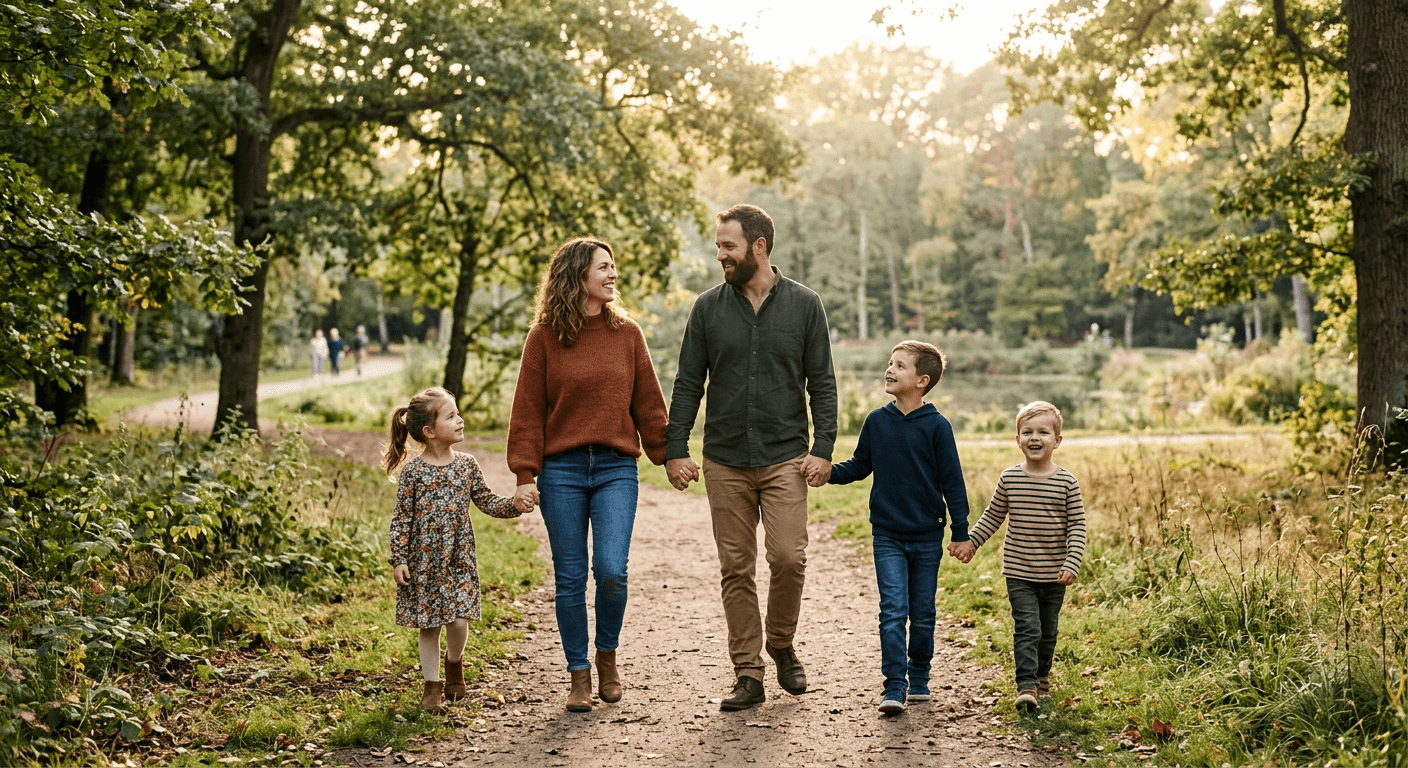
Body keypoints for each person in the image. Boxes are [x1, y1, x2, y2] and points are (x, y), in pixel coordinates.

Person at [665, 204, 838, 712]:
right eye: (719, 245)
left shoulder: (807, 305)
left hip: (786, 456)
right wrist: (676, 448)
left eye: (728, 246)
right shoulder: (707, 309)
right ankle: (748, 672)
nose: (720, 254)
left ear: (758, 247)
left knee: (788, 558)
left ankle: (780, 642)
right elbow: (688, 383)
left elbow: (822, 383)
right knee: (736, 568)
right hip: (724, 460)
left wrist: (823, 448)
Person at [507, 237, 669, 712]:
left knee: (612, 571)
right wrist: (524, 473)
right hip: (562, 471)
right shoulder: (544, 338)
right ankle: (578, 676)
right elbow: (527, 412)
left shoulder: (628, 334)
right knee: (571, 577)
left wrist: (668, 455)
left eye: (613, 266)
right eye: (604, 267)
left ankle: (607, 657)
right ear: (578, 275)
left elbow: (649, 406)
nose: (612, 274)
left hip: (617, 467)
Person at [822, 341, 970, 715]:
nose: (889, 369)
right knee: (892, 610)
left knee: (922, 613)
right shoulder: (876, 421)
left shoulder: (937, 426)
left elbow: (952, 481)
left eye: (899, 366)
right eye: (890, 363)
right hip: (886, 534)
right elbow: (859, 465)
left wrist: (961, 530)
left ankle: (919, 675)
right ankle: (894, 686)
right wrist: (827, 473)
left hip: (926, 536)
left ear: (921, 381)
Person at [385, 386, 530, 714]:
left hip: (459, 558)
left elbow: (487, 501)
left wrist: (515, 505)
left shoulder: (466, 466)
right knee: (430, 625)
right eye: (452, 416)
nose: (461, 420)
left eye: (458, 414)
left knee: (460, 621)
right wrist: (399, 559)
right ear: (430, 431)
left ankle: (454, 663)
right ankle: (432, 686)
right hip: (424, 563)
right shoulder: (414, 471)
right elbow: (401, 519)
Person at [948, 401, 1087, 713]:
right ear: (1018, 439)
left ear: (1057, 440)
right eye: (1027, 432)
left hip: (1055, 574)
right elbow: (993, 516)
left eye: (1042, 432)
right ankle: (1027, 685)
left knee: (1048, 631)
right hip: (1019, 571)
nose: (1034, 438)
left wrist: (1072, 561)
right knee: (1028, 628)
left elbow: (1077, 525)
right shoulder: (1010, 478)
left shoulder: (1067, 482)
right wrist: (970, 543)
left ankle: (1042, 676)